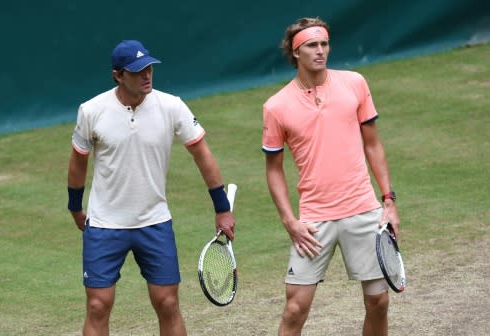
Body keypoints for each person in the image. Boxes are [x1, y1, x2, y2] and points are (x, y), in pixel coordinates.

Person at [67, 39, 235, 336]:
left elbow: (202, 155)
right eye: (137, 71)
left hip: (154, 222)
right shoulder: (91, 110)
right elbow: (78, 160)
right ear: (118, 75)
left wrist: (222, 208)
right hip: (105, 225)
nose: (147, 76)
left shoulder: (172, 106)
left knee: (168, 303)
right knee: (97, 305)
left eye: (149, 69)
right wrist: (75, 205)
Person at [261, 18, 400, 336]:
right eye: (312, 45)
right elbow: (273, 169)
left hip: (364, 210)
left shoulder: (354, 83)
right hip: (313, 221)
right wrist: (289, 221)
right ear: (296, 52)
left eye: (324, 44)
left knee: (378, 302)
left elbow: (373, 145)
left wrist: (388, 200)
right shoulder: (276, 106)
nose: (320, 51)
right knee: (294, 310)